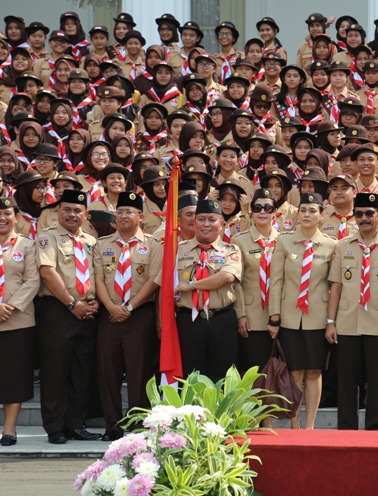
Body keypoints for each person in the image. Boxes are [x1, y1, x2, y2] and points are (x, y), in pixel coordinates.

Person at [326, 193, 378, 430]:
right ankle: (346, 431)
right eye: (359, 213)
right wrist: (331, 322)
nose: (364, 218)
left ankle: (376, 430)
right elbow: (336, 286)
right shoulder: (343, 246)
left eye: (370, 213)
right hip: (348, 322)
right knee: (347, 381)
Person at [92, 192, 161, 441]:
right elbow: (98, 279)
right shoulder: (102, 244)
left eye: (129, 212)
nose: (123, 216)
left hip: (139, 316)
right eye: (119, 212)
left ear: (140, 217)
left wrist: (129, 307)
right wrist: (111, 306)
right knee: (107, 370)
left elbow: (154, 280)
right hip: (108, 315)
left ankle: (138, 424)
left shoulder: (153, 244)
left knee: (139, 371)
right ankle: (112, 425)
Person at [36, 189, 100, 444]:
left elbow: (96, 275)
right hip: (58, 310)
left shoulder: (91, 241)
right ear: (57, 211)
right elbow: (48, 273)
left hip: (88, 312)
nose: (72, 214)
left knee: (81, 371)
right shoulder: (47, 237)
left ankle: (76, 423)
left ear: (85, 214)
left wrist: (93, 302)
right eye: (67, 209)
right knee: (55, 370)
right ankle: (55, 427)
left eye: (77, 211)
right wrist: (72, 303)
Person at [268, 193, 337, 429]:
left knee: (314, 371)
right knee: (295, 372)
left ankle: (310, 426)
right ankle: (294, 426)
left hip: (317, 316)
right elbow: (275, 281)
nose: (307, 215)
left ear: (322, 215)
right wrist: (274, 315)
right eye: (303, 210)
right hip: (289, 317)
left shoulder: (331, 244)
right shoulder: (284, 241)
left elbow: (334, 284)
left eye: (312, 211)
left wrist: (332, 320)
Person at [167, 199, 242, 383]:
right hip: (188, 321)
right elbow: (164, 285)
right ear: (194, 222)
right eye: (201, 219)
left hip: (221, 320)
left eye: (212, 219)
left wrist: (192, 285)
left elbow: (226, 277)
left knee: (223, 377)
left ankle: (221, 413)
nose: (206, 224)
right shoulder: (177, 250)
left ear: (222, 224)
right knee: (190, 376)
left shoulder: (230, 250)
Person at [0, 197, 40, 447]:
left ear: (16, 217)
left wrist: (9, 307)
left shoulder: (27, 245)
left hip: (18, 320)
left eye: (7, 213)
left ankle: (9, 427)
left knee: (14, 376)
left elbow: (33, 280)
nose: (2, 218)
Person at [232, 189, 279, 378]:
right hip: (252, 315)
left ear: (275, 212)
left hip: (280, 313)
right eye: (257, 207)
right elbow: (237, 282)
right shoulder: (240, 240)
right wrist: (241, 314)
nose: (262, 212)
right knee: (251, 370)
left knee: (277, 372)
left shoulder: (284, 240)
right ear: (251, 211)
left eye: (268, 208)